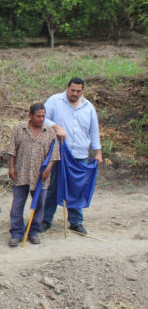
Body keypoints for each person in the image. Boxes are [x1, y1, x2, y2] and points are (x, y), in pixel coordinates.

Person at [42, 77, 102, 235]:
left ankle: (75, 222)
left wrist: (98, 152)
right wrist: (55, 126)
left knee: (77, 188)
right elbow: (42, 118)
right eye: (72, 90)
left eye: (78, 91)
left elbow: (94, 131)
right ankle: (46, 220)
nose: (75, 93)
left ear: (83, 91)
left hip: (80, 154)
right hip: (58, 153)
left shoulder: (88, 107)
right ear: (67, 88)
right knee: (53, 186)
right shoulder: (55, 101)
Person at [7, 103, 59, 247]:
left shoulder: (49, 132)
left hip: (40, 176)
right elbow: (12, 151)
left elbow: (54, 155)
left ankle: (33, 231)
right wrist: (11, 168)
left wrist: (47, 169)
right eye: (38, 116)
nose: (41, 119)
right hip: (21, 173)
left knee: (39, 204)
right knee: (17, 204)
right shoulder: (20, 129)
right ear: (30, 115)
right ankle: (17, 232)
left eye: (43, 116)